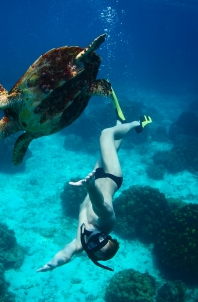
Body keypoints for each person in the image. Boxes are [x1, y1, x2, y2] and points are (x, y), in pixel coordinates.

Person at [37, 113, 152, 272]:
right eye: (100, 238)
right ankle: (136, 124)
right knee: (106, 134)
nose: (91, 237)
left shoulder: (81, 242)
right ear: (106, 236)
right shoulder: (107, 222)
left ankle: (120, 124)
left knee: (111, 148)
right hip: (111, 175)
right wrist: (90, 187)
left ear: (89, 249)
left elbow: (68, 253)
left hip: (95, 177)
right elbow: (100, 204)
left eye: (91, 244)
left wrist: (55, 263)